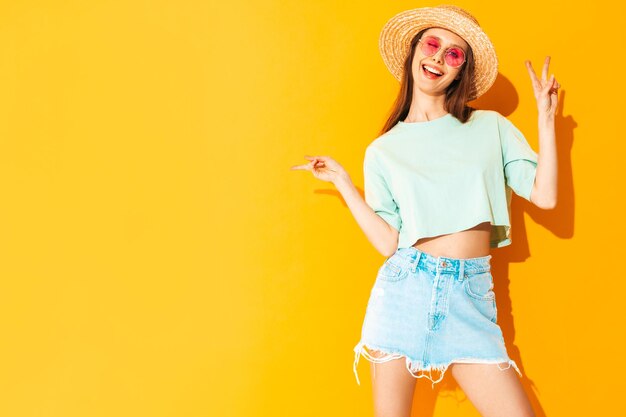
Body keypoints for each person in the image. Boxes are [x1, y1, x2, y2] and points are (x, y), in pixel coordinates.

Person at [291, 5, 558, 417]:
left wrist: (546, 119)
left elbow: (545, 196)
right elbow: (387, 242)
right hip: (405, 291)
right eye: (432, 44)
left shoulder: (490, 127)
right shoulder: (383, 150)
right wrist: (345, 183)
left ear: (460, 71)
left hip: (471, 295)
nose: (438, 57)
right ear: (414, 51)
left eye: (454, 54)